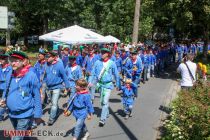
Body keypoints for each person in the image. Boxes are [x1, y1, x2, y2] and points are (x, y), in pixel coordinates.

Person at [0, 51, 42, 140]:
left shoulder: (31, 76)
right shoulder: (10, 75)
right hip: (12, 114)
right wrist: (4, 100)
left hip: (25, 114)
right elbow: (6, 90)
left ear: (23, 62)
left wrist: (37, 114)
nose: (13, 63)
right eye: (11, 60)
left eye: (17, 61)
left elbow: (37, 96)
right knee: (24, 134)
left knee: (17, 137)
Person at [88, 48, 121, 127]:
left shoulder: (112, 63)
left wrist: (118, 84)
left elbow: (116, 74)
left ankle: (102, 120)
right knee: (102, 101)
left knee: (105, 102)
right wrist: (90, 81)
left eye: (103, 52)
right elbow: (92, 73)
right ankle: (107, 112)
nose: (101, 54)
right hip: (100, 85)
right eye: (101, 52)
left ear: (108, 54)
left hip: (108, 85)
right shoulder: (97, 62)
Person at [44, 51, 70, 125]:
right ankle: (57, 111)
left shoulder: (59, 65)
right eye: (46, 57)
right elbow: (44, 76)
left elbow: (64, 76)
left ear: (54, 57)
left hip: (57, 87)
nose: (47, 58)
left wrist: (67, 86)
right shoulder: (46, 65)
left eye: (48, 57)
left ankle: (51, 118)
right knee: (52, 102)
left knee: (54, 104)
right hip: (48, 87)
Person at [0, 53, 13, 122]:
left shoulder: (10, 69)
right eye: (0, 58)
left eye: (2, 59)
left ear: (6, 59)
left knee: (3, 102)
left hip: (5, 88)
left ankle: (0, 116)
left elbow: (7, 80)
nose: (1, 60)